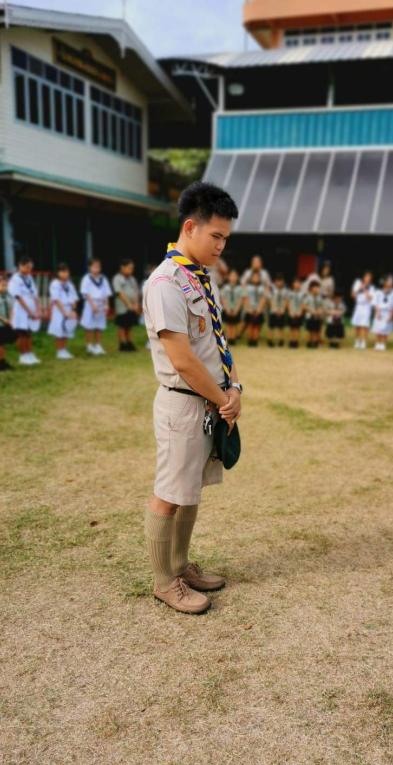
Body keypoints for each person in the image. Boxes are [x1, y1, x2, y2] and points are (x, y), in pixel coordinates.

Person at [142, 180, 242, 615]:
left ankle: (181, 565)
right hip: (183, 403)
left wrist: (235, 389)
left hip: (208, 402)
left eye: (226, 238)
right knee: (169, 491)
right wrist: (223, 397)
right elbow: (182, 360)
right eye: (216, 236)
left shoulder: (202, 279)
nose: (221, 245)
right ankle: (165, 581)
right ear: (190, 226)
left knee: (190, 489)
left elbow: (219, 344)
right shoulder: (165, 283)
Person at [8, 255, 42, 366]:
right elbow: (18, 297)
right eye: (27, 267)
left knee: (29, 333)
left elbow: (35, 294)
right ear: (20, 266)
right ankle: (23, 356)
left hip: (31, 309)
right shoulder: (15, 279)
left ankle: (29, 354)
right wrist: (29, 312)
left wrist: (38, 309)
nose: (29, 270)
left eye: (31, 268)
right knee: (22, 333)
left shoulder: (29, 278)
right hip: (21, 310)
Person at [80, 257, 112, 356]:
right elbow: (86, 293)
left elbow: (106, 292)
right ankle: (89, 345)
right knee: (89, 325)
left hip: (101, 304)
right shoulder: (86, 278)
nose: (96, 269)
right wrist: (92, 305)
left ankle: (98, 345)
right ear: (90, 267)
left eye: (98, 267)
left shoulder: (103, 278)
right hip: (90, 304)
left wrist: (107, 304)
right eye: (94, 267)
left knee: (99, 325)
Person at [48, 263, 79, 360]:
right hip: (59, 309)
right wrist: (64, 312)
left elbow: (74, 298)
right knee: (59, 330)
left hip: (69, 308)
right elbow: (56, 299)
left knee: (67, 328)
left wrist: (74, 310)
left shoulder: (70, 284)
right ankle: (59, 351)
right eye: (62, 272)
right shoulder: (55, 283)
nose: (65, 274)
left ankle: (64, 349)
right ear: (58, 273)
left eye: (66, 272)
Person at [113, 257, 141, 352]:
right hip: (122, 307)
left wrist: (136, 304)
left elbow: (136, 292)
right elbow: (119, 293)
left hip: (132, 306)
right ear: (122, 267)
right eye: (129, 268)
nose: (131, 270)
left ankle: (129, 342)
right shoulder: (117, 278)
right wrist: (129, 305)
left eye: (132, 268)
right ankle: (122, 344)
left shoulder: (132, 279)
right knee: (122, 325)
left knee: (129, 325)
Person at [371, 275, 393, 351]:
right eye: (389, 281)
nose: (390, 283)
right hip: (379, 311)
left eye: (392, 281)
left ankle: (383, 343)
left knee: (386, 329)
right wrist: (377, 312)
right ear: (385, 282)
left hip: (388, 312)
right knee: (378, 328)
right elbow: (375, 303)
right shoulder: (378, 291)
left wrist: (392, 315)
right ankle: (378, 342)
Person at [219, 269, 245, 345]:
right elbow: (223, 298)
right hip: (227, 309)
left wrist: (237, 309)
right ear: (229, 277)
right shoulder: (225, 287)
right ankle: (228, 339)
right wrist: (227, 309)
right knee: (228, 324)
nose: (233, 277)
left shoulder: (240, 288)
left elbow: (241, 299)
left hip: (236, 309)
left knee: (234, 324)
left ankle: (233, 339)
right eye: (231, 275)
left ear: (237, 277)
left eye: (235, 276)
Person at [350, 271, 374, 350]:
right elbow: (353, 295)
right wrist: (359, 288)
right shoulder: (358, 283)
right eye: (366, 276)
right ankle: (357, 340)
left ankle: (363, 341)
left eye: (369, 277)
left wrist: (364, 289)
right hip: (359, 306)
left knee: (365, 325)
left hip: (366, 307)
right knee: (358, 324)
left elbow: (370, 298)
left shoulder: (372, 287)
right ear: (363, 277)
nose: (367, 278)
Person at [243, 271, 266, 347]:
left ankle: (255, 341)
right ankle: (250, 340)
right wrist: (250, 309)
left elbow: (263, 299)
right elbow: (245, 298)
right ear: (251, 278)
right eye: (254, 277)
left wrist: (259, 310)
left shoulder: (262, 288)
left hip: (259, 310)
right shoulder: (247, 287)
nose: (255, 278)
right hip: (250, 309)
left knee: (257, 326)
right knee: (250, 325)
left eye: (257, 277)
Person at [267, 273, 288, 347]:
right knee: (271, 326)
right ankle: (270, 341)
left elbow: (286, 301)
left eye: (281, 281)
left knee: (281, 327)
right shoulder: (272, 289)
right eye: (278, 281)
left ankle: (280, 341)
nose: (279, 283)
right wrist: (274, 309)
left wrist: (282, 310)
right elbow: (270, 300)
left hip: (281, 311)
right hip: (273, 310)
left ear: (283, 282)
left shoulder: (285, 290)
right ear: (275, 281)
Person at [286, 277, 306, 349]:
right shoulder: (289, 293)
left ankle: (296, 341)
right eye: (295, 283)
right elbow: (287, 303)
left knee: (297, 328)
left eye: (299, 283)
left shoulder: (302, 294)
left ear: (300, 285)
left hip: (299, 313)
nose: (297, 284)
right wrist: (290, 312)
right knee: (291, 328)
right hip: (291, 312)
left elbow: (303, 304)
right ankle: (291, 341)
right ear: (293, 284)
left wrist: (300, 312)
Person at [304, 281, 324, 348]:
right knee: (310, 330)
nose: (316, 289)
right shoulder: (308, 297)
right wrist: (311, 311)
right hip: (310, 316)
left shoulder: (319, 297)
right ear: (311, 288)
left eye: (317, 288)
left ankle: (316, 342)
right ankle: (310, 342)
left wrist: (319, 311)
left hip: (318, 316)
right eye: (314, 288)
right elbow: (304, 306)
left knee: (317, 330)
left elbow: (321, 306)